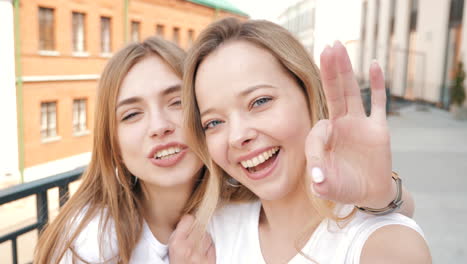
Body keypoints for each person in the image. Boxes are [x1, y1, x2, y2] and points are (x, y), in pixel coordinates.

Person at [179, 18, 431, 263]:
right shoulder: (208, 238)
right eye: (213, 122)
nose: (237, 136)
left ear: (308, 92)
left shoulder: (378, 241)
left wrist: (382, 193)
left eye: (260, 101)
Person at [33, 36, 214, 264]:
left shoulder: (244, 212)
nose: (159, 126)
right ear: (114, 145)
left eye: (177, 102)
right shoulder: (92, 243)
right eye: (132, 114)